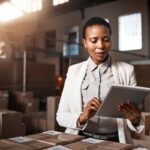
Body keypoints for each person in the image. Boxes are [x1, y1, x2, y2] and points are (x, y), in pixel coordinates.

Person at [56, 17, 143, 143]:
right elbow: (61, 116)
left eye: (106, 39)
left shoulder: (127, 71)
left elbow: (133, 119)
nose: (101, 46)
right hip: (81, 140)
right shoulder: (74, 71)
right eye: (93, 40)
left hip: (115, 141)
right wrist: (83, 117)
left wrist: (135, 119)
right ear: (85, 43)